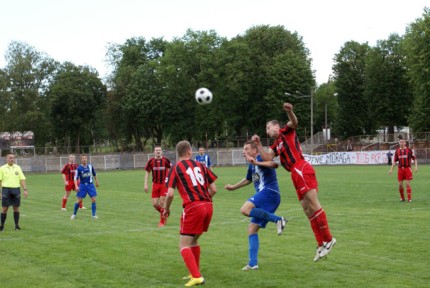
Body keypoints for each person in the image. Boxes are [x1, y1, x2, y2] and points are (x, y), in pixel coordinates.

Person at [252, 102, 336, 262]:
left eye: (268, 128)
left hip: (301, 167)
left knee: (314, 204)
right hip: (295, 173)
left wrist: (290, 111)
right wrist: (258, 145)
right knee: (307, 210)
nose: (267, 131)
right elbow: (268, 158)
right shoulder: (276, 144)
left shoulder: (286, 131)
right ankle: (320, 244)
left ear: (276, 127)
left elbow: (294, 122)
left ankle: (329, 239)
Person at [224, 140, 287, 271]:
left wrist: (257, 162)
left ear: (254, 151)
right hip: (269, 196)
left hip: (269, 192)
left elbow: (274, 164)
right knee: (252, 229)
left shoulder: (260, 158)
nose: (243, 151)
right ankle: (253, 264)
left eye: (246, 149)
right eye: (243, 149)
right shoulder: (252, 165)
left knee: (245, 209)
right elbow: (248, 179)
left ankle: (278, 220)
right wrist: (233, 187)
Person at [163, 140, 217, 287]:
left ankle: (197, 276)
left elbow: (170, 194)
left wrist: (166, 209)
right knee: (193, 241)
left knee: (183, 246)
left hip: (193, 208)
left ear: (178, 153)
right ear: (189, 152)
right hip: (208, 206)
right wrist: (203, 200)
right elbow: (214, 189)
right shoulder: (201, 165)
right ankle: (194, 272)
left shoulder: (175, 167)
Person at [0, 152, 28, 231]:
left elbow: (22, 179)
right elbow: (0, 180)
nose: (12, 159)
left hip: (16, 189)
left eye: (13, 158)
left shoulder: (18, 167)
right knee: (5, 209)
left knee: (16, 208)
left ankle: (16, 226)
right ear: (6, 159)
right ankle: (2, 226)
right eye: (10, 158)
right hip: (6, 189)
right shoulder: (2, 168)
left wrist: (25, 189)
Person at [144, 145, 171, 227]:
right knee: (155, 204)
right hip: (155, 184)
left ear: (161, 151)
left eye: (159, 150)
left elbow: (171, 170)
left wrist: (170, 182)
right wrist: (145, 184)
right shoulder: (151, 161)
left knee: (162, 202)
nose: (158, 151)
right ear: (154, 152)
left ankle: (162, 222)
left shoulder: (166, 160)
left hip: (164, 184)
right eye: (156, 150)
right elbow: (147, 173)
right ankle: (165, 212)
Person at [71, 155, 99, 220]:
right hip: (83, 185)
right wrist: (76, 186)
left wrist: (97, 182)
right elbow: (75, 178)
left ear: (87, 159)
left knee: (94, 199)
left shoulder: (90, 166)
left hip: (90, 185)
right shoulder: (79, 168)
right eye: (83, 158)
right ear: (81, 160)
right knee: (79, 200)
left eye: (85, 158)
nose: (84, 159)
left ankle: (93, 215)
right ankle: (74, 214)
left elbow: (94, 174)